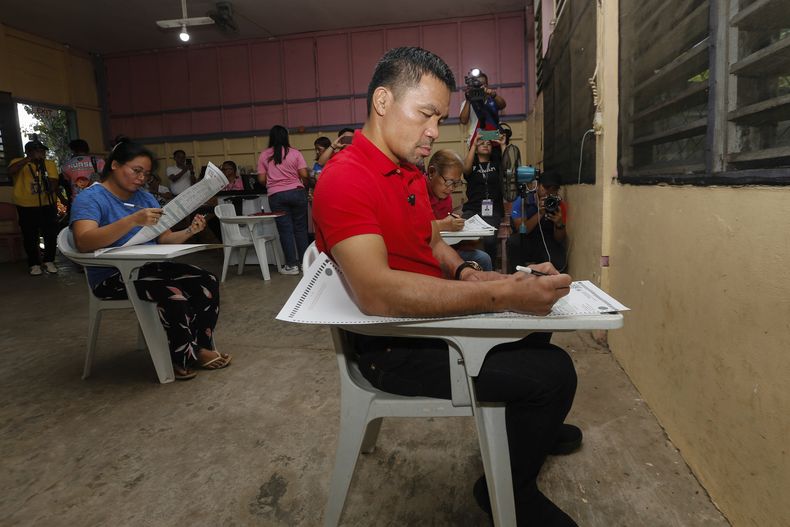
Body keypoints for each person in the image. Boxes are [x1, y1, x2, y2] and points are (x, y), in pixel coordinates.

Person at [313, 47, 581, 526]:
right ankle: (509, 491)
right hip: (394, 346)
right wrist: (499, 294)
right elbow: (376, 293)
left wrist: (468, 274)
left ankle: (530, 432)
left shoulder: (408, 172)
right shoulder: (345, 180)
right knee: (555, 373)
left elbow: (433, 242)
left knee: (536, 330)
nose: (434, 130)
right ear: (381, 101)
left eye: (438, 117)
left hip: (423, 322)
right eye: (426, 114)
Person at [70, 138, 230, 380]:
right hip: (114, 276)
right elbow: (84, 241)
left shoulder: (145, 198)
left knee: (206, 280)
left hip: (150, 268)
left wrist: (190, 231)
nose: (141, 178)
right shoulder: (90, 198)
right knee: (172, 291)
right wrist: (132, 220)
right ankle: (179, 357)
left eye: (146, 173)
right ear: (114, 165)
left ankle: (200, 347)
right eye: (136, 171)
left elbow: (163, 239)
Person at [424, 149, 492, 271]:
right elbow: (413, 228)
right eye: (449, 182)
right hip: (424, 251)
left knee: (483, 258)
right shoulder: (418, 191)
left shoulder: (446, 198)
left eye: (456, 183)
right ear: (431, 172)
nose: (451, 188)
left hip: (444, 247)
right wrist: (444, 225)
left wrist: (464, 234)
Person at [257, 125, 309, 275]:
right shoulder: (295, 153)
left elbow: (261, 179)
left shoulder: (264, 155)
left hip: (276, 196)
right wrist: (303, 185)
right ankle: (305, 265)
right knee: (300, 229)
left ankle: (291, 266)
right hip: (297, 193)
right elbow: (304, 174)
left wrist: (272, 181)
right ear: (286, 137)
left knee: (285, 231)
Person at [7, 137, 61, 275]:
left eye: (43, 151)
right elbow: (11, 171)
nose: (42, 153)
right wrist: (28, 160)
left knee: (50, 233)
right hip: (25, 205)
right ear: (29, 152)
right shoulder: (18, 162)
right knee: (30, 234)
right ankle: (34, 263)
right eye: (39, 151)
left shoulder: (48, 163)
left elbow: (54, 180)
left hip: (47, 203)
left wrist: (51, 187)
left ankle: (49, 260)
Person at [508, 171, 568, 272]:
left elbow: (559, 239)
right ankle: (516, 277)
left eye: (553, 189)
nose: (547, 192)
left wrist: (559, 224)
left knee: (558, 262)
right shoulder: (524, 200)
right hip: (527, 239)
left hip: (546, 240)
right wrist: (540, 213)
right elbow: (521, 230)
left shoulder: (558, 205)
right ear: (538, 186)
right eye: (545, 188)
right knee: (514, 242)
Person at [462, 132, 505, 262]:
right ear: (475, 149)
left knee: (490, 240)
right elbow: (465, 170)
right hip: (473, 208)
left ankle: (489, 266)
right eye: (482, 143)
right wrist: (474, 144)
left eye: (488, 144)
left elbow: (509, 168)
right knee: (462, 234)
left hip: (493, 209)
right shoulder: (472, 166)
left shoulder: (496, 165)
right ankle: (468, 265)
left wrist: (503, 145)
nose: (485, 145)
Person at [459, 70, 507, 140]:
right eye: (476, 85)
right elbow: (463, 121)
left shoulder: (492, 98)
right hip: (476, 140)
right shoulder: (467, 102)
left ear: (486, 85)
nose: (478, 86)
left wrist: (493, 95)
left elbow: (503, 105)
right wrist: (468, 100)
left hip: (494, 138)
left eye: (481, 84)